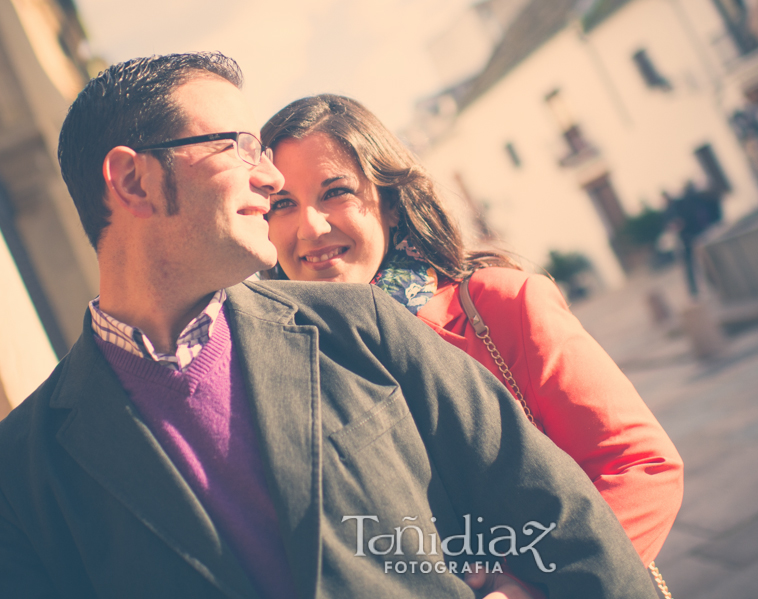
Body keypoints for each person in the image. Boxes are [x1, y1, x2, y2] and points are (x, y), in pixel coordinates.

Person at [0, 53, 659, 599]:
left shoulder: (362, 325)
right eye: (238, 146)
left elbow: (570, 525)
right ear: (134, 180)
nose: (269, 175)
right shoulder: (22, 471)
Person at [260, 94, 684, 567]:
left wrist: (540, 587)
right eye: (282, 204)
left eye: (335, 192)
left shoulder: (502, 305)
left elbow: (638, 465)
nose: (310, 227)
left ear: (391, 203)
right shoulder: (279, 374)